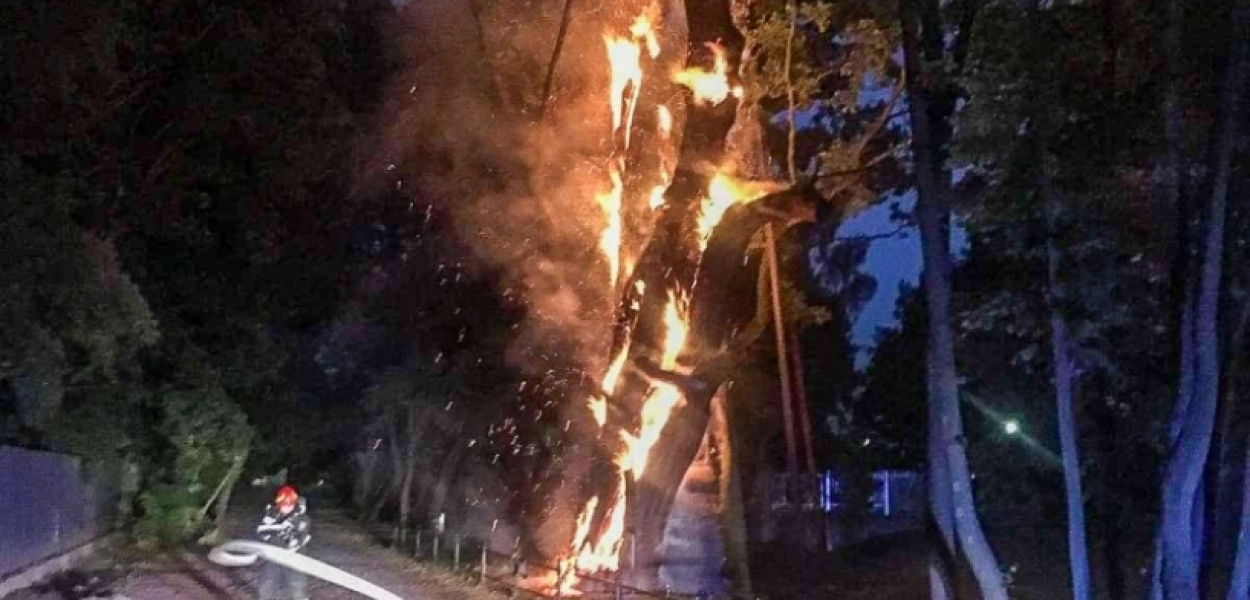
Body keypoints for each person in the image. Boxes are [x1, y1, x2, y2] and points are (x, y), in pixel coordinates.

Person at [256, 484, 312, 600]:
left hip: (295, 558)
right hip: (273, 556)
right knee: (267, 586)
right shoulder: (271, 515)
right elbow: (261, 532)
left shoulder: (302, 519)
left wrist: (293, 543)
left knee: (297, 588)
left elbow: (299, 538)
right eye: (283, 505)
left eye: (289, 505)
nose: (286, 507)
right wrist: (272, 527)